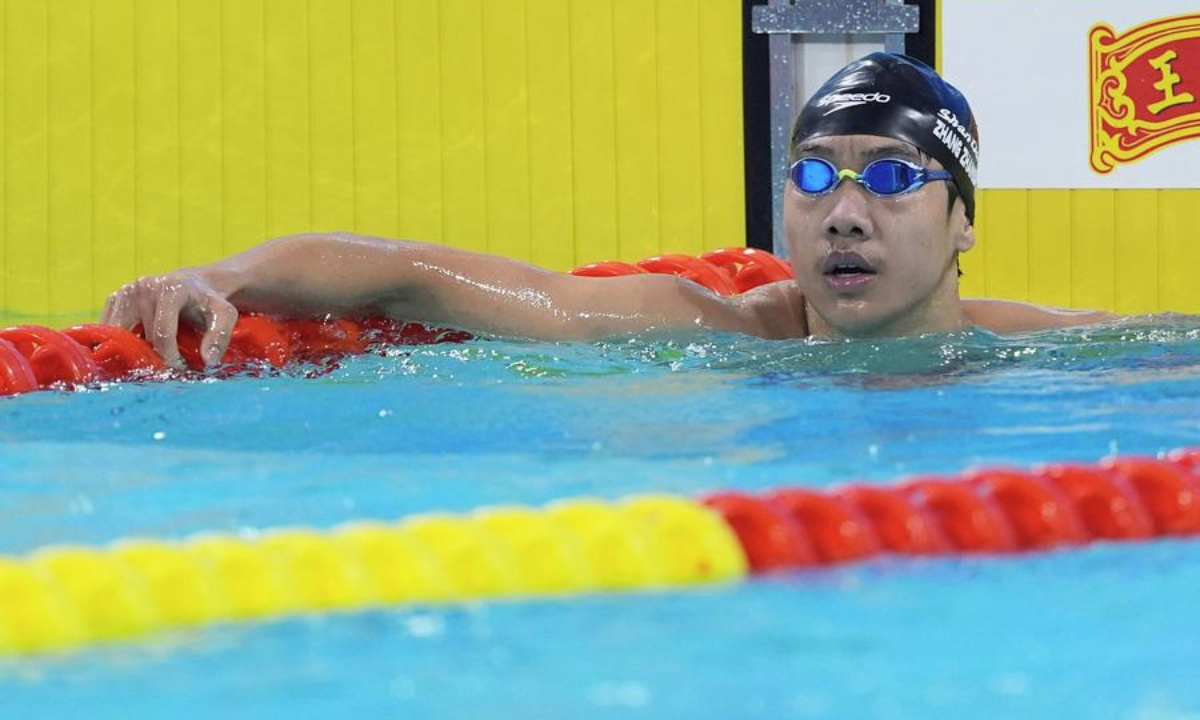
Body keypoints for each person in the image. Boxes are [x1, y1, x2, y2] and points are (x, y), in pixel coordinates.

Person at [103, 53, 1113, 369]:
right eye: (812, 178)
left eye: (890, 177)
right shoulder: (707, 327)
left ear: (965, 220)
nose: (844, 214)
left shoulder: (1051, 356)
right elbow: (412, 271)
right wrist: (226, 276)